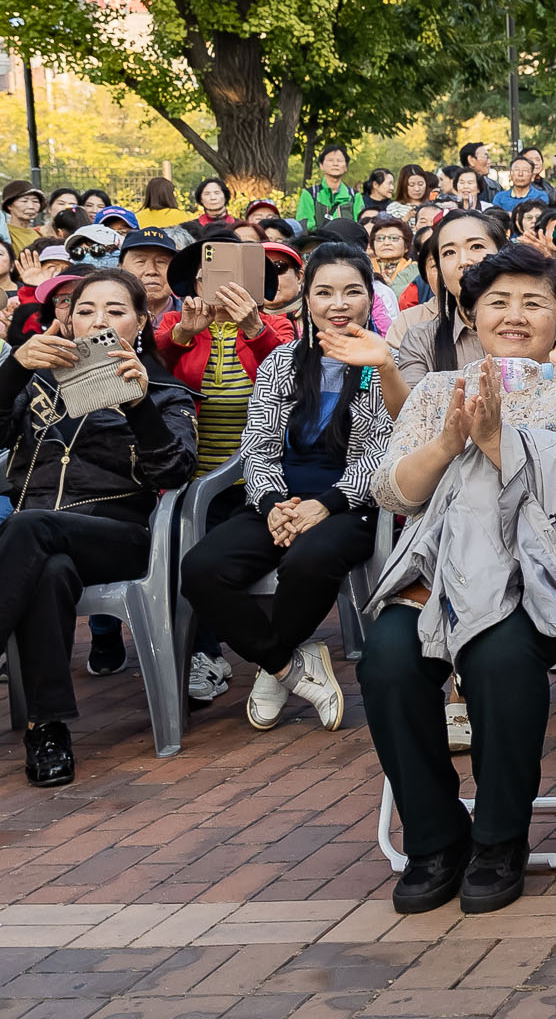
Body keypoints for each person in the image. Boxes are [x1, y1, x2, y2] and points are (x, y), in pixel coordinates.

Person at [360, 245, 556, 914]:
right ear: (471, 314)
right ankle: (434, 837)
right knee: (388, 660)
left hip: (546, 579)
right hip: (443, 579)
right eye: (497, 301)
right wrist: (448, 442)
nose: (513, 314)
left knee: (500, 655)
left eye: (535, 302)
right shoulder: (432, 391)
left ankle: (500, 837)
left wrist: (499, 439)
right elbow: (392, 491)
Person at [180, 243, 395, 733]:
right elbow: (257, 444)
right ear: (306, 300)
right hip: (278, 499)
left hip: (348, 505)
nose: (338, 304)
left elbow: (382, 452)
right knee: (201, 568)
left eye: (351, 292)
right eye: (325, 292)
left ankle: (272, 667)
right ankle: (290, 662)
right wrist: (276, 504)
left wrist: (325, 505)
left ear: (369, 298)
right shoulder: (282, 363)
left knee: (308, 560)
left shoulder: (386, 365)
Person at [0, 269, 200, 785]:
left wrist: (137, 404)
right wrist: (12, 371)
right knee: (49, 569)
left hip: (120, 537)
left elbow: (175, 472)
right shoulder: (38, 380)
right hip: (39, 538)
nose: (98, 321)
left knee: (28, 530)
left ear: (141, 321)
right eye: (85, 310)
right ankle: (48, 732)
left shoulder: (162, 391)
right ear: (66, 318)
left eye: (115, 311)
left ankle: (45, 726)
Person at [389, 211, 508, 381]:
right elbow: (412, 405)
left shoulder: (533, 326)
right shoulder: (421, 340)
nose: (463, 261)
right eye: (449, 252)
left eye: (476, 247)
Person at [296, 145, 358, 229]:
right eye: (330, 160)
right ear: (321, 165)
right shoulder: (310, 194)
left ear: (346, 166)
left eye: (339, 160)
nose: (335, 164)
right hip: (318, 241)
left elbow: (360, 226)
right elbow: (304, 226)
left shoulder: (354, 196)